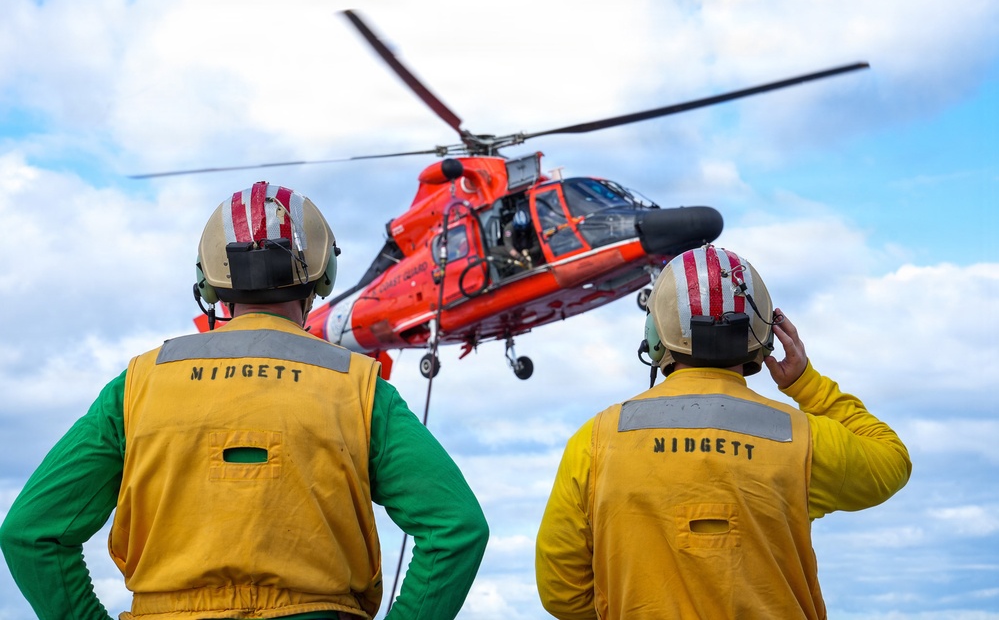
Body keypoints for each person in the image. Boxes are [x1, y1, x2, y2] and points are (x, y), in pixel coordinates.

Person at [0, 181, 489, 620]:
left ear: (209, 280)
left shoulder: (137, 385)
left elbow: (30, 533)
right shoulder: (359, 386)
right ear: (323, 273)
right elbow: (457, 527)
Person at [535, 244, 911, 619]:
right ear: (762, 335)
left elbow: (561, 591)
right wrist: (805, 383)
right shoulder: (800, 439)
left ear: (655, 333)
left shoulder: (596, 441)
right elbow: (890, 462)